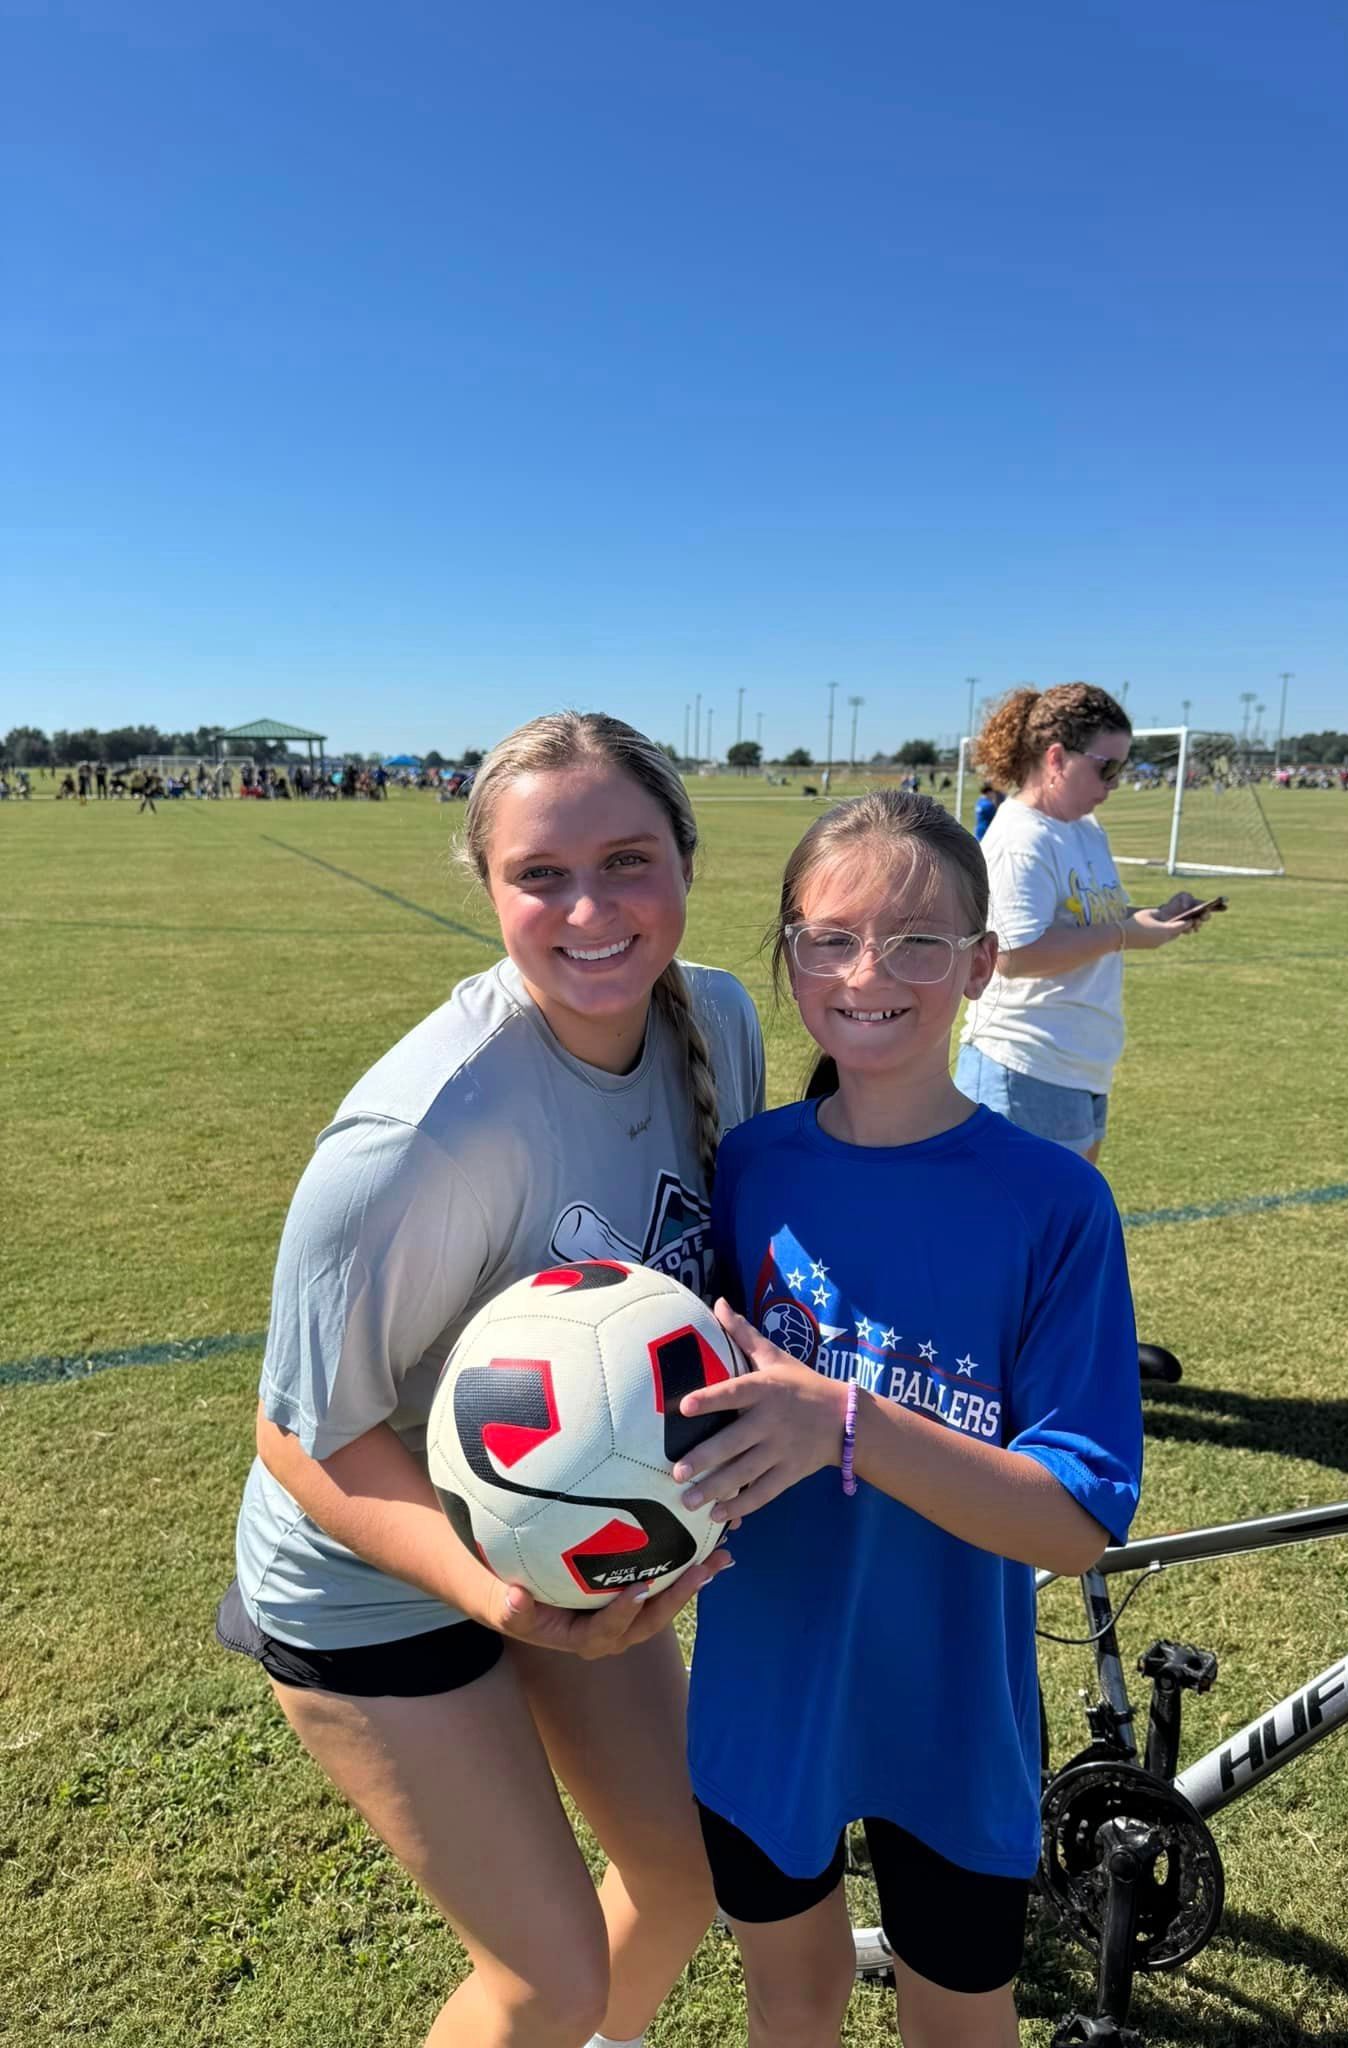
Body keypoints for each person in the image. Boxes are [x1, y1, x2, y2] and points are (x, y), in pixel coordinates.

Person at [218, 711, 765, 2048]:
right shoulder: (425, 1136)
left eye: (629, 860)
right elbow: (304, 1437)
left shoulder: (721, 1022)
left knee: (686, 1881)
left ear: (688, 863)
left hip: (572, 1545)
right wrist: (502, 1601)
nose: (591, 907)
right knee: (547, 1980)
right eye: (541, 875)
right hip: (369, 1582)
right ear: (489, 890)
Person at [678, 790, 1142, 2048]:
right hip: (766, 1679)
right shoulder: (750, 1168)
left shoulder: (1052, 1203)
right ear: (789, 953)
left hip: (953, 1697)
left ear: (983, 964)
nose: (868, 972)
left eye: (917, 941)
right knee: (793, 2001)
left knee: (960, 2014)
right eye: (829, 937)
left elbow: (1073, 1522)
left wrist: (850, 1423)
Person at [953, 682, 1212, 1164]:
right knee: (1026, 1231)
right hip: (1024, 1063)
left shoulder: (1086, 831)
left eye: (1121, 768)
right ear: (1056, 759)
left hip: (1083, 1067)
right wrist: (1123, 935)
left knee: (1064, 1230)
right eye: (1106, 768)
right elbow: (1011, 955)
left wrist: (1154, 916)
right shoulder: (1020, 839)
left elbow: (1100, 918)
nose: (1114, 784)